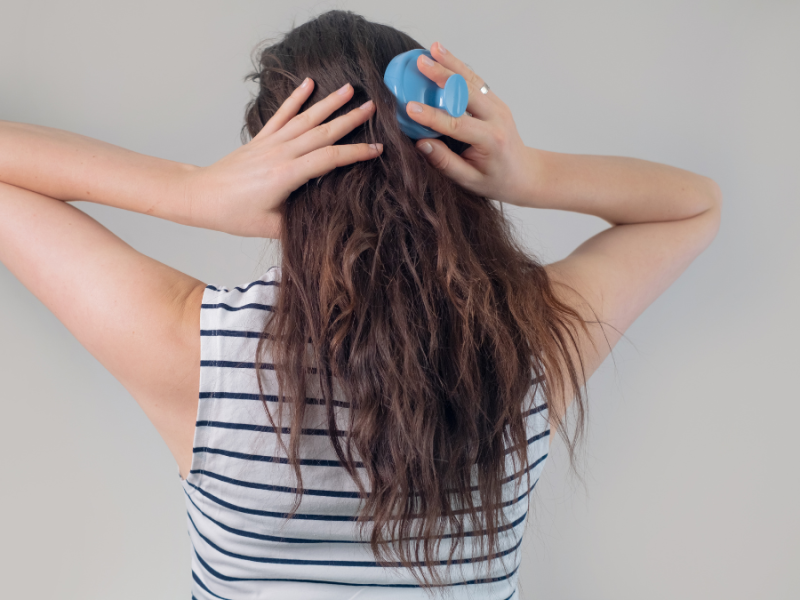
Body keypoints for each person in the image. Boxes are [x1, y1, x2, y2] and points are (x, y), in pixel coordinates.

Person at [0, 9, 721, 600]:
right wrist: (527, 171)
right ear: (451, 157)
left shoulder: (198, 351)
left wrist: (193, 190)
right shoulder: (525, 346)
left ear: (275, 175)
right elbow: (693, 208)